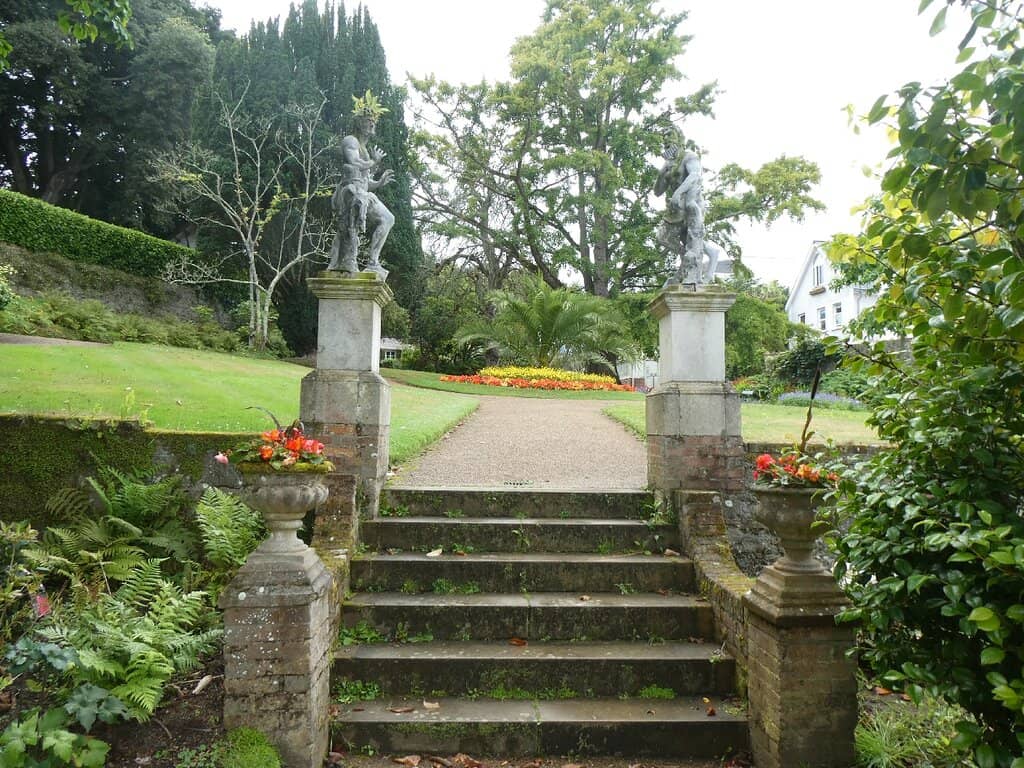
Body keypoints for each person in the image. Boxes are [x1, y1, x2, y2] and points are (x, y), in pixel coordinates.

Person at [327, 91, 395, 276]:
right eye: (367, 120)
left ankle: (373, 262)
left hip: (362, 190)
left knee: (388, 219)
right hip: (350, 193)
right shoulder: (351, 141)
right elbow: (353, 162)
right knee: (352, 226)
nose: (372, 123)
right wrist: (374, 162)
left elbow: (364, 181)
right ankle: (348, 261)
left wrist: (379, 183)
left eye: (373, 121)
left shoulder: (365, 147)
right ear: (358, 122)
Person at [654, 128, 714, 285]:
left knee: (692, 238)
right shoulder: (668, 164)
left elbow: (694, 176)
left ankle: (696, 265)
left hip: (690, 203)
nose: (666, 139)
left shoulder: (689, 156)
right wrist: (661, 173)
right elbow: (657, 192)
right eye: (664, 137)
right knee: (662, 237)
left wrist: (677, 193)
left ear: (679, 138)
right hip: (675, 209)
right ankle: (689, 257)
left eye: (669, 136)